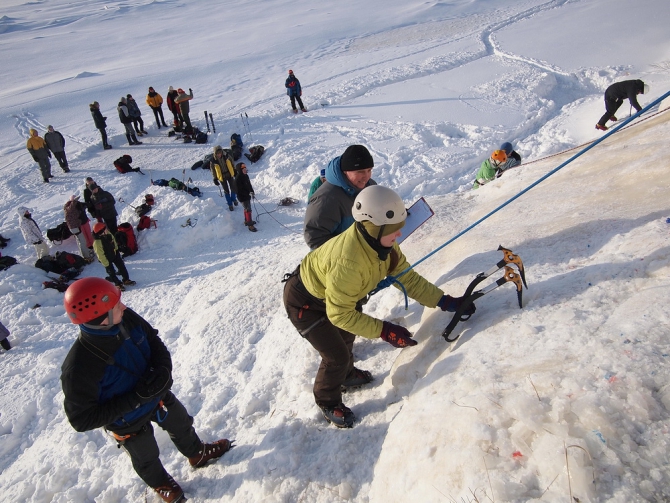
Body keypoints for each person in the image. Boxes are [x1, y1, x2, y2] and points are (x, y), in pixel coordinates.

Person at [284, 185, 473, 428]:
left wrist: (444, 301)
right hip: (305, 303)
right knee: (336, 355)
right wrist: (384, 330)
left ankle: (347, 375)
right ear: (374, 228)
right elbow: (339, 313)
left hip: (332, 295)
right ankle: (327, 400)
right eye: (393, 231)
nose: (399, 235)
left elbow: (409, 279)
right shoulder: (349, 262)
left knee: (347, 335)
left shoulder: (385, 245)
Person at [60, 277, 232, 502]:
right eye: (116, 306)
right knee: (146, 457)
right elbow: (81, 420)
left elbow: (153, 340)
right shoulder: (79, 367)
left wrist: (163, 370)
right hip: (127, 421)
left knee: (181, 424)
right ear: (102, 320)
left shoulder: (125, 318)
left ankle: (197, 453)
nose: (123, 306)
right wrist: (136, 399)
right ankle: (160, 483)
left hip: (157, 396)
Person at [304, 144, 376, 249]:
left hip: (366, 257)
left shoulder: (370, 186)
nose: (366, 177)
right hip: (339, 261)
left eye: (369, 170)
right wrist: (350, 252)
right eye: (360, 172)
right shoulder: (327, 198)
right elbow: (315, 238)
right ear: (345, 171)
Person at [92, 222, 135, 290]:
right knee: (111, 272)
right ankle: (118, 284)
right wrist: (106, 264)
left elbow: (114, 241)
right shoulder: (97, 243)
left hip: (114, 254)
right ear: (101, 232)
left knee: (122, 267)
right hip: (106, 259)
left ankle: (126, 280)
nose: (106, 229)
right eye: (105, 228)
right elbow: (100, 255)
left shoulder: (108, 234)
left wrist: (117, 251)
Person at [64, 195, 94, 262]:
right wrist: (74, 201)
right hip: (77, 227)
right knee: (82, 241)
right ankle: (86, 256)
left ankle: (88, 252)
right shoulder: (69, 208)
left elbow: (86, 205)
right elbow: (71, 208)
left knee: (83, 239)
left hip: (80, 224)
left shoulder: (76, 205)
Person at [211, 145, 238, 211]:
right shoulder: (213, 161)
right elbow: (213, 170)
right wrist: (215, 178)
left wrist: (234, 170)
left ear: (222, 152)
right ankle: (230, 204)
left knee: (233, 187)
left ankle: (234, 199)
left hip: (229, 174)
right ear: (215, 154)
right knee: (226, 191)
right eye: (217, 154)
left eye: (220, 153)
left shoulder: (227, 156)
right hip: (221, 177)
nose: (219, 155)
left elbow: (232, 162)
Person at [234, 162, 257, 232]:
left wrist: (252, 191)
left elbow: (249, 185)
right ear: (240, 170)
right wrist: (248, 193)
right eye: (243, 169)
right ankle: (250, 225)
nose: (245, 170)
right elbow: (238, 190)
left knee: (247, 208)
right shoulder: (238, 178)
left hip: (247, 196)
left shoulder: (246, 176)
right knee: (248, 209)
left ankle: (247, 220)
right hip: (242, 197)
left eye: (245, 168)